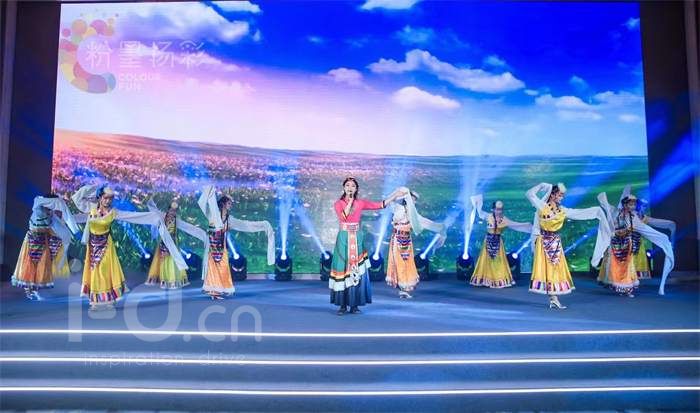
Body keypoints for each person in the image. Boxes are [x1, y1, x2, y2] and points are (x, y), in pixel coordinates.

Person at [72, 184, 185, 310]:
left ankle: (108, 299)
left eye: (110, 198)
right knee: (94, 271)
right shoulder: (91, 208)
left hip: (106, 245)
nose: (108, 201)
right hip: (93, 245)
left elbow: (134, 217)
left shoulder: (113, 212)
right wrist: (94, 187)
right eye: (105, 198)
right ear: (100, 197)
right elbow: (76, 198)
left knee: (105, 270)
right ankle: (95, 301)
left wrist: (154, 218)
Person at [525, 183, 610, 309]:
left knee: (555, 270)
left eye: (562, 195)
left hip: (555, 243)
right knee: (548, 270)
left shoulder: (562, 210)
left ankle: (553, 299)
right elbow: (529, 194)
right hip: (543, 243)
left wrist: (596, 212)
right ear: (552, 195)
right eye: (559, 195)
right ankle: (553, 298)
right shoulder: (542, 206)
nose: (562, 197)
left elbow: (579, 213)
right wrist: (542, 185)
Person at [330, 177, 406, 315]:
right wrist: (350, 201)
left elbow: (380, 205)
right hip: (343, 239)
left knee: (357, 270)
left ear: (356, 189)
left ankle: (354, 305)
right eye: (347, 185)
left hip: (357, 238)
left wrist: (395, 195)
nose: (350, 188)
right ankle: (342, 305)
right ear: (344, 188)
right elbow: (344, 217)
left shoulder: (361, 203)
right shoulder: (338, 203)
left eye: (353, 186)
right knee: (343, 268)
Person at [197, 185, 275, 299]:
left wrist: (263, 225)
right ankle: (214, 291)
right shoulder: (212, 215)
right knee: (213, 269)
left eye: (231, 203)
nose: (230, 205)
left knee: (224, 268)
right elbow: (202, 203)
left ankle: (219, 289)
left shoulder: (229, 220)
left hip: (222, 248)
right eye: (229, 203)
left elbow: (245, 225)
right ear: (223, 204)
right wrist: (209, 191)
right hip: (212, 247)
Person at [597, 188, 675, 295]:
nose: (632, 207)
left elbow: (644, 228)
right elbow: (609, 215)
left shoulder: (634, 217)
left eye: (634, 204)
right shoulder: (617, 213)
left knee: (628, 266)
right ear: (625, 205)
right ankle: (618, 285)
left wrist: (663, 238)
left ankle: (626, 288)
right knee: (616, 266)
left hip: (627, 245)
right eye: (630, 204)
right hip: (616, 245)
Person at [12, 195, 78, 300]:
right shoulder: (39, 208)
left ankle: (35, 290)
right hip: (33, 241)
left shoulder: (47, 212)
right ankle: (30, 290)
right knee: (30, 265)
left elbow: (55, 226)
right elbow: (48, 222)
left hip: (42, 241)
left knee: (40, 265)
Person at [385, 187, 446, 298]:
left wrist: (441, 228)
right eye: (411, 198)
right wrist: (398, 193)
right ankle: (402, 287)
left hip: (407, 241)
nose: (412, 201)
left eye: (414, 200)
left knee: (407, 263)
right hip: (396, 239)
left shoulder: (414, 216)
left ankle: (404, 288)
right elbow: (388, 201)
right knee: (399, 263)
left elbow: (427, 223)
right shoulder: (397, 208)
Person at [469, 194, 531, 288]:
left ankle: (498, 280)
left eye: (500, 209)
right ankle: (486, 279)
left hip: (498, 243)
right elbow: (480, 212)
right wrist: (477, 202)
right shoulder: (488, 216)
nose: (499, 211)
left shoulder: (504, 220)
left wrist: (527, 225)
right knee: (486, 261)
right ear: (493, 209)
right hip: (488, 242)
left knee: (498, 262)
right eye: (497, 209)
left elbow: (515, 224)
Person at [145, 199, 208, 289]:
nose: (173, 212)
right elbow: (154, 215)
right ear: (168, 210)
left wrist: (202, 234)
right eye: (171, 210)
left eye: (174, 211)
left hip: (173, 243)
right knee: (164, 261)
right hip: (164, 243)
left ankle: (173, 281)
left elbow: (188, 227)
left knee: (173, 261)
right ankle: (165, 281)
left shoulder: (176, 221)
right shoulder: (162, 218)